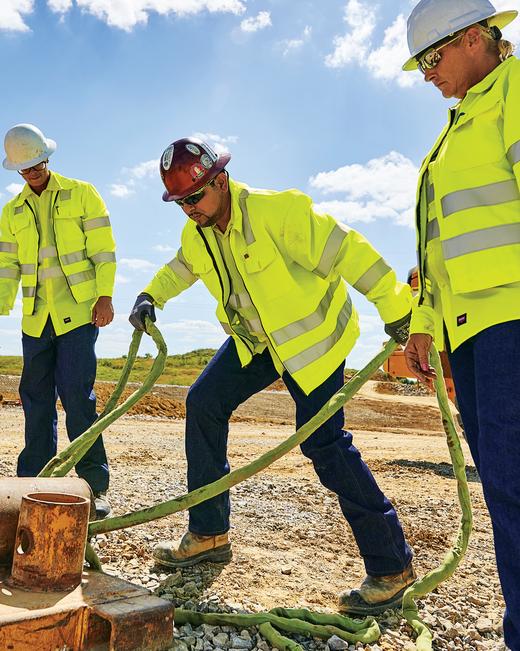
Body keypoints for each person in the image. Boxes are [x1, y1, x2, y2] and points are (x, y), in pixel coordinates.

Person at [129, 137, 415, 616]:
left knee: (324, 444)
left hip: (314, 342)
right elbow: (182, 267)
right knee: (203, 403)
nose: (189, 210)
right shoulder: (196, 232)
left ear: (220, 180)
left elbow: (346, 249)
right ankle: (208, 532)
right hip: (258, 342)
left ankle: (391, 565)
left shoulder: (275, 213)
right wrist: (149, 295)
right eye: (180, 203)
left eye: (195, 197)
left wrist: (395, 305)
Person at [400, 0, 520, 651]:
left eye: (432, 58)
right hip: (475, 331)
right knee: (512, 493)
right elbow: (442, 243)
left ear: (475, 37)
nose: (428, 76)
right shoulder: (454, 132)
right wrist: (426, 322)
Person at [0, 124, 116, 519]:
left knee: (78, 400)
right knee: (36, 402)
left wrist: (105, 295)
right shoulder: (12, 211)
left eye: (35, 164)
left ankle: (95, 488)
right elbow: (6, 266)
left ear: (46, 157)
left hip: (78, 315)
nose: (30, 172)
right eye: (22, 168)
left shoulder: (82, 194)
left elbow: (104, 250)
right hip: (36, 320)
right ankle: (32, 485)